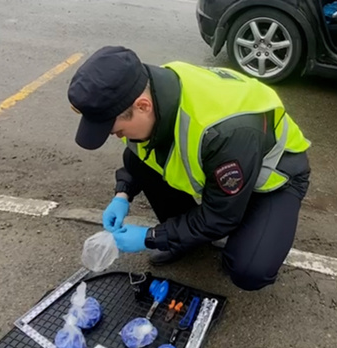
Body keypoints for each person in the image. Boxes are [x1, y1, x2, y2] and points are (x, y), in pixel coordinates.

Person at [67, 46, 311, 291]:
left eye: (116, 130)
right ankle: (187, 239)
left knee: (248, 268)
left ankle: (249, 222)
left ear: (143, 106)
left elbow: (220, 217)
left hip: (273, 177)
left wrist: (150, 237)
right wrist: (123, 193)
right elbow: (138, 156)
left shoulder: (224, 132)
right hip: (230, 162)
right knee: (141, 162)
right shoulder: (145, 89)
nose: (116, 136)